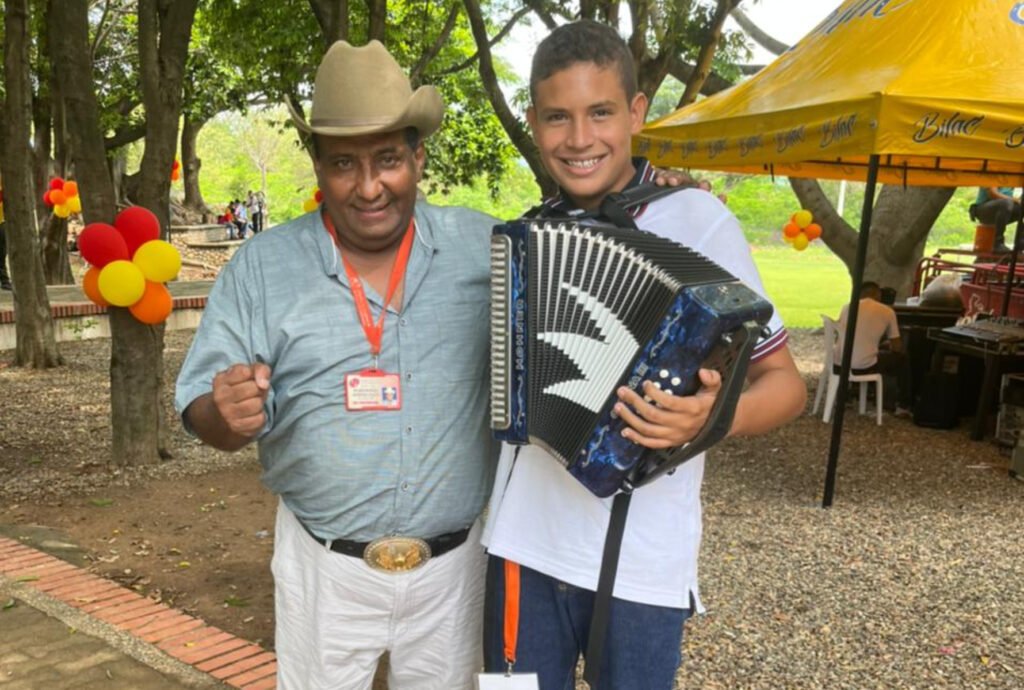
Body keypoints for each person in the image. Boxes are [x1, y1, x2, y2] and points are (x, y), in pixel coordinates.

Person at [480, 20, 807, 689]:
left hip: (639, 562)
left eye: (600, 112)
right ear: (535, 123)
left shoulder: (700, 222)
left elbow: (785, 383)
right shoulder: (532, 230)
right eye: (556, 118)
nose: (579, 139)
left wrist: (713, 418)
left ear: (635, 112)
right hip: (519, 546)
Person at [175, 40, 500, 689]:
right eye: (345, 164)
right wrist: (227, 415)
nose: (370, 186)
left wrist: (648, 192)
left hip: (456, 573)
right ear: (318, 167)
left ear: (418, 157)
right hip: (324, 573)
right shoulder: (261, 270)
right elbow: (200, 410)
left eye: (388, 159)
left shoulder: (486, 249)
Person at [836, 281, 912, 414]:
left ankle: (848, 394)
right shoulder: (887, 311)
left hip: (840, 363)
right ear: (878, 294)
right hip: (864, 366)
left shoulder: (847, 307)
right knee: (902, 359)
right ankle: (902, 404)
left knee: (864, 353)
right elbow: (897, 347)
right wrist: (884, 345)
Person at [970, 186, 1022, 253]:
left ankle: (1020, 242)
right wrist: (1014, 200)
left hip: (1005, 209)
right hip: (984, 209)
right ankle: (998, 243)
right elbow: (993, 194)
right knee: (1005, 203)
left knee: (1019, 207)